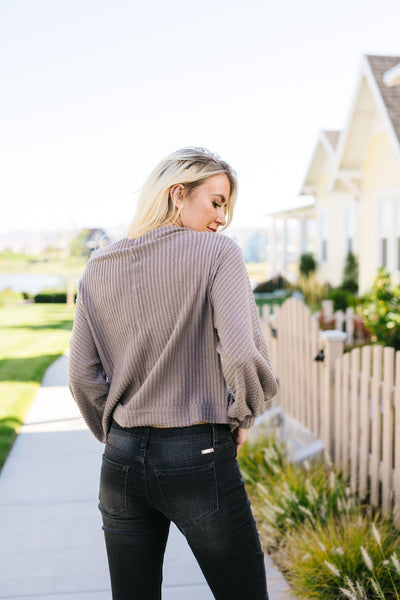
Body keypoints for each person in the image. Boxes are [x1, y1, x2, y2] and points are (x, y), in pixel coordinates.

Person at [68, 147, 278, 600]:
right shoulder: (218, 254)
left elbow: (82, 377)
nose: (222, 218)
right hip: (197, 452)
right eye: (217, 202)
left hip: (121, 460)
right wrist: (243, 415)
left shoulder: (99, 266)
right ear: (177, 194)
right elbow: (241, 354)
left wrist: (119, 436)